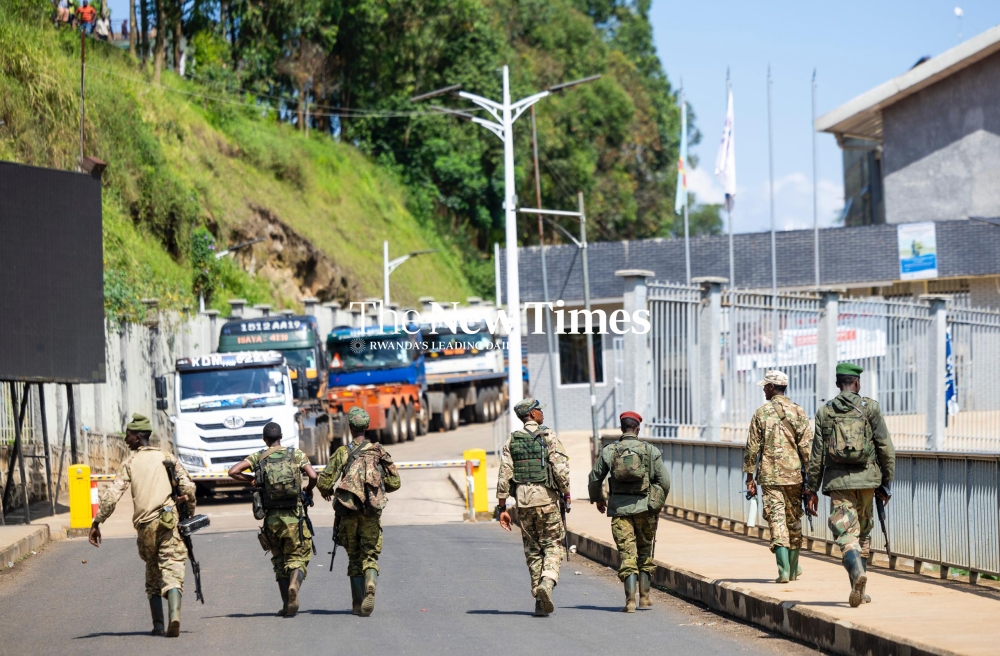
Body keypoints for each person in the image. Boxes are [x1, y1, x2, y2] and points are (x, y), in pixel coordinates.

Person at [88, 413, 196, 637]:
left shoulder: (130, 462)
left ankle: (158, 625)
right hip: (169, 522)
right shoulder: (167, 457)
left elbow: (112, 495)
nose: (125, 440)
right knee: (173, 567)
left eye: (128, 436)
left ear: (138, 437)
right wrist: (189, 512)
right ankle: (174, 616)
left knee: (153, 573)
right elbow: (188, 488)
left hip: (145, 527)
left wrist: (97, 522)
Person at [806, 363, 895, 608]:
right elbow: (886, 449)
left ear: (838, 384)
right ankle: (861, 587)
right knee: (863, 533)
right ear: (856, 383)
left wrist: (811, 488)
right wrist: (885, 482)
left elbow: (817, 455)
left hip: (838, 482)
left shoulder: (825, 412)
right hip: (868, 481)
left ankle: (857, 576)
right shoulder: (871, 409)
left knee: (846, 535)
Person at [317, 407, 401, 617]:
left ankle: (357, 605)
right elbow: (395, 482)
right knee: (370, 555)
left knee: (354, 558)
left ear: (350, 427)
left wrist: (328, 492)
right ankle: (371, 582)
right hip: (371, 512)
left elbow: (324, 482)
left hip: (348, 513)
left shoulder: (343, 453)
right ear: (367, 425)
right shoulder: (379, 451)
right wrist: (376, 489)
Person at [228, 422, 317, 617]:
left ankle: (287, 604)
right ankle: (295, 583)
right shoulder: (296, 454)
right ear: (281, 436)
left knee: (278, 560)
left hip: (272, 519)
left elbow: (233, 471)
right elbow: (313, 475)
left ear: (264, 439)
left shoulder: (258, 456)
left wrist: (251, 480)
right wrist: (308, 489)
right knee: (298, 558)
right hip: (295, 517)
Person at [588, 411, 670, 612]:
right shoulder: (649, 450)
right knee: (644, 551)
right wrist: (656, 504)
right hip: (645, 510)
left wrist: (598, 499)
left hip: (620, 510)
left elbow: (594, 478)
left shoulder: (610, 451)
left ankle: (629, 601)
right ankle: (645, 597)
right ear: (638, 429)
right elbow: (664, 482)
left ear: (621, 428)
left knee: (627, 554)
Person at [496, 398, 571, 617]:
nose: (542, 413)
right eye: (539, 410)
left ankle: (539, 602)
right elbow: (560, 469)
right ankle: (547, 583)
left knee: (533, 550)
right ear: (532, 414)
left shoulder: (512, 440)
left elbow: (504, 476)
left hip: (523, 503)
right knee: (553, 545)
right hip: (546, 499)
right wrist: (565, 493)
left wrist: (502, 508)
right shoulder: (548, 436)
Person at [743, 370, 812, 583]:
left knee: (776, 519)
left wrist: (749, 478)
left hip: (770, 478)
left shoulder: (761, 413)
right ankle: (792, 570)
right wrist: (809, 479)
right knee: (793, 520)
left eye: (765, 386)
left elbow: (752, 449)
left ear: (772, 387)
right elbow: (807, 448)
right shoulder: (798, 412)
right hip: (794, 477)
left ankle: (783, 570)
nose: (763, 389)